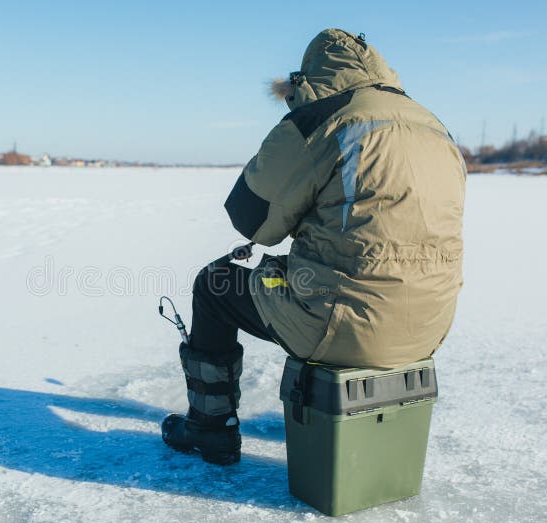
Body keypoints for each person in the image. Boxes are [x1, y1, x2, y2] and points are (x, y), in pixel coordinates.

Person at [161, 28, 466, 465]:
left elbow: (252, 220)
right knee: (305, 269)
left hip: (345, 324)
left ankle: (211, 430)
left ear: (307, 79)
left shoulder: (323, 119)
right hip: (430, 325)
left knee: (214, 286)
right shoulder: (433, 124)